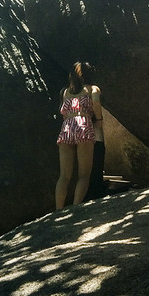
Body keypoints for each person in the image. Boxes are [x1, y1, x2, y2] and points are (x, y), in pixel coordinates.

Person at [54, 61, 103, 210]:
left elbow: (63, 114)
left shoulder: (64, 92)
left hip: (67, 127)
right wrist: (99, 120)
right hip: (84, 126)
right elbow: (95, 102)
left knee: (64, 176)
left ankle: (58, 210)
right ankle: (75, 209)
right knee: (84, 174)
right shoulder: (92, 88)